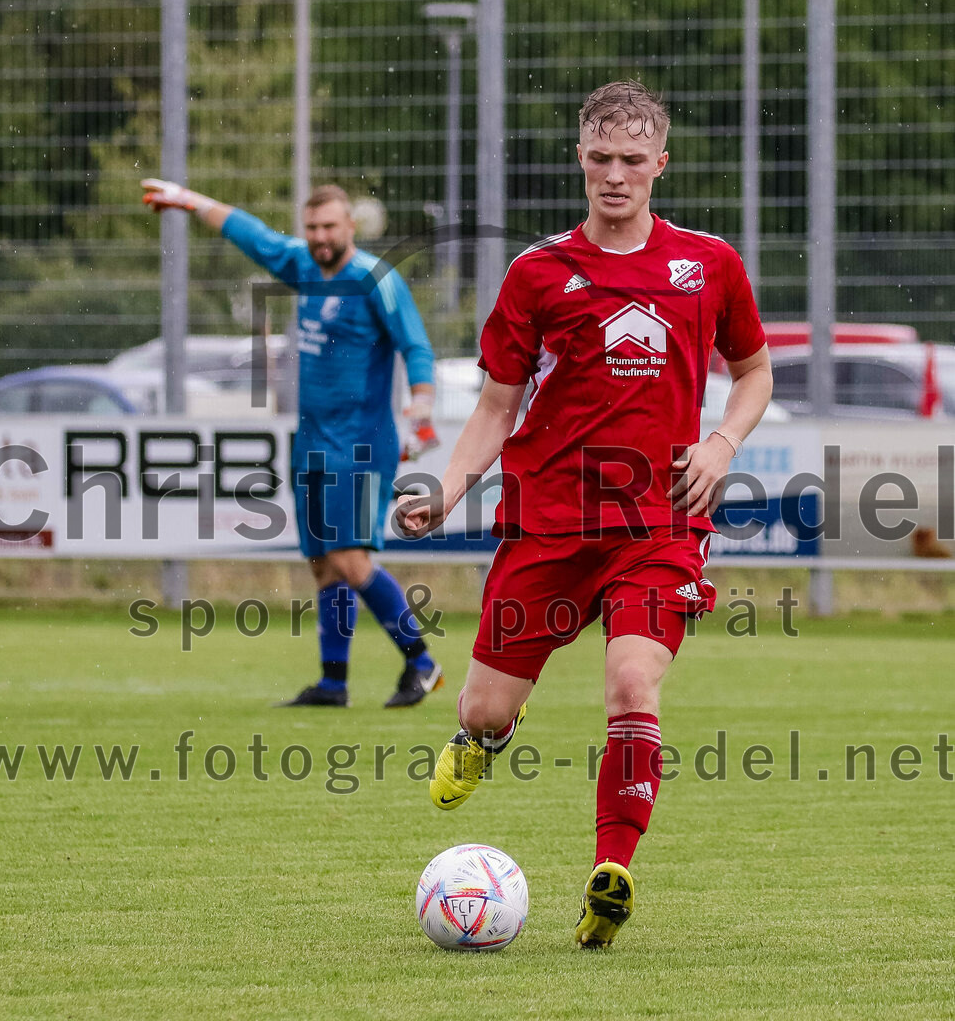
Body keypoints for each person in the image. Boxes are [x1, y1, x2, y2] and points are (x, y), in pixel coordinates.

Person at [396, 80, 773, 947]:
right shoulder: (537, 275)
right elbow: (495, 406)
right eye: (600, 159)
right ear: (580, 158)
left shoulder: (707, 264)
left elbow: (753, 372)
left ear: (660, 166)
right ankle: (487, 737)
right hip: (548, 521)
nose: (614, 176)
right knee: (484, 709)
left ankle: (613, 872)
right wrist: (445, 490)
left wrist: (719, 445)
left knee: (631, 683)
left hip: (659, 523)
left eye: (632, 161)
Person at [141, 180, 443, 708]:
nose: (321, 237)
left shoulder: (375, 277)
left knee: (350, 559)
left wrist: (421, 404)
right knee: (323, 564)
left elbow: (415, 344)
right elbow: (250, 233)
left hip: (362, 444)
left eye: (330, 226)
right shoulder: (303, 266)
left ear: (351, 225)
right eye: (312, 228)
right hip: (313, 444)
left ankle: (422, 662)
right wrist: (190, 200)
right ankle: (333, 683)